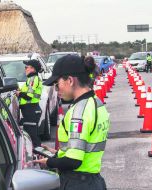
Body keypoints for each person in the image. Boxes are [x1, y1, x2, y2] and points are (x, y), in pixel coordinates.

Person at [34, 55, 110, 190]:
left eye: (57, 85)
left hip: (78, 183)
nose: (57, 91)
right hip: (93, 181)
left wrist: (50, 161)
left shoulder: (79, 112)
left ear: (70, 80)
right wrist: (58, 153)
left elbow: (74, 161)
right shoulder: (96, 103)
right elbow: (85, 146)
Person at [16, 59, 43, 147]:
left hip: (31, 110)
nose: (25, 69)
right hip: (30, 110)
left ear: (33, 69)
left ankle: (37, 155)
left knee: (32, 137)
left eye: (26, 67)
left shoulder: (32, 79)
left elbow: (29, 96)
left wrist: (19, 93)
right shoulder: (31, 79)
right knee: (31, 135)